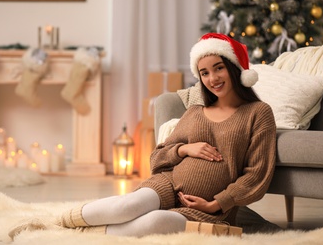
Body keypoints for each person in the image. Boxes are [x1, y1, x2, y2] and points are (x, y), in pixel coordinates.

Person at [14, 33, 277, 238]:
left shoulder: (258, 113)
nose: (212, 78)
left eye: (218, 68)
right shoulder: (196, 112)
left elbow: (256, 175)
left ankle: (75, 234)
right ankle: (54, 223)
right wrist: (185, 150)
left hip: (209, 211)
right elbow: (158, 157)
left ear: (233, 67)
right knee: (124, 208)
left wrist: (216, 204)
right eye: (204, 73)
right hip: (168, 184)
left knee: (153, 223)